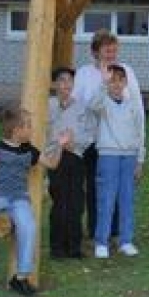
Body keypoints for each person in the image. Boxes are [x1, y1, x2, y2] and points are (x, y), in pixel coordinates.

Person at [0, 105, 68, 297]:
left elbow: (52, 164)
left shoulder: (30, 151)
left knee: (29, 228)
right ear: (17, 130)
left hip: (19, 199)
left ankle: (20, 277)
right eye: (28, 126)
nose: (31, 129)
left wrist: (59, 145)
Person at [73, 29, 143, 243]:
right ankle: (97, 230)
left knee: (123, 190)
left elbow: (137, 108)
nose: (111, 54)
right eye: (106, 50)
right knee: (97, 188)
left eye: (114, 50)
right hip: (93, 140)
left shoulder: (126, 71)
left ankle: (117, 233)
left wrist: (141, 150)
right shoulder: (84, 73)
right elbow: (79, 106)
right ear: (95, 52)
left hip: (123, 142)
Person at [86, 65, 146, 259]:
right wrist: (103, 83)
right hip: (108, 156)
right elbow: (91, 104)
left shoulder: (133, 105)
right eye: (112, 80)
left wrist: (140, 159)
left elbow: (140, 133)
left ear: (126, 82)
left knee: (127, 200)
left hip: (129, 157)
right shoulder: (103, 104)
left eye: (120, 80)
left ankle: (126, 241)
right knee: (106, 199)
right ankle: (101, 242)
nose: (116, 84)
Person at [46, 67, 94, 259]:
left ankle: (74, 247)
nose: (66, 85)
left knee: (75, 202)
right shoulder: (48, 105)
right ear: (54, 84)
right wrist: (58, 143)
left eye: (69, 81)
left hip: (76, 157)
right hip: (55, 157)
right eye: (62, 80)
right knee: (59, 202)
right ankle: (57, 248)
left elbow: (90, 134)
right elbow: (42, 132)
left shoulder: (82, 107)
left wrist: (75, 143)